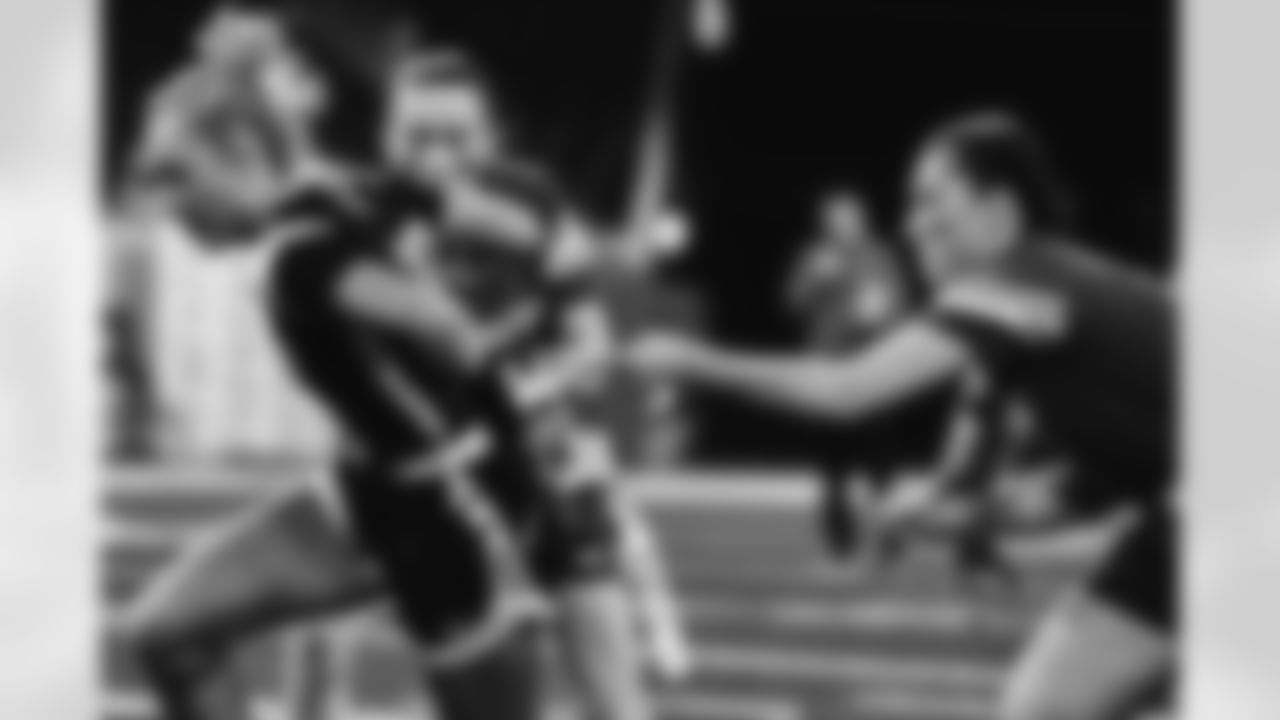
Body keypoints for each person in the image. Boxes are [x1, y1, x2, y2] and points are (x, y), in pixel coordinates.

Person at [625, 110, 1175, 720]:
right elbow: (1084, 494)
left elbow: (847, 390)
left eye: (933, 201)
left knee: (1046, 706)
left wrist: (689, 359)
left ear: (998, 208)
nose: (913, 224)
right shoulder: (1044, 313)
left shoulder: (1024, 280)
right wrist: (963, 520)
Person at [120, 6, 567, 720]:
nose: (172, 207)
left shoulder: (302, 252)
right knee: (166, 634)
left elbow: (452, 332)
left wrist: (512, 396)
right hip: (367, 495)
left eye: (179, 176)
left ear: (241, 149)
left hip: (449, 519)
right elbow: (527, 232)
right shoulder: (354, 187)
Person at [380, 50, 684, 720]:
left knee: (611, 693)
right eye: (416, 136)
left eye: (455, 136)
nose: (435, 155)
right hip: (431, 472)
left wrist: (521, 397)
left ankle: (628, 570)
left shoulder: (531, 200)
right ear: (386, 135)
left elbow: (590, 342)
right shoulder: (365, 217)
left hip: (540, 450)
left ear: (490, 137)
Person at [782, 187, 957, 573]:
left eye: (848, 216)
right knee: (832, 472)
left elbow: (902, 308)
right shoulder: (815, 256)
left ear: (862, 219)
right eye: (834, 217)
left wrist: (882, 313)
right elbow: (792, 304)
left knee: (881, 470)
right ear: (825, 223)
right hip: (826, 373)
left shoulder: (880, 255)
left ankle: (891, 545)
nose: (842, 223)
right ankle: (838, 550)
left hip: (872, 374)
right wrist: (815, 280)